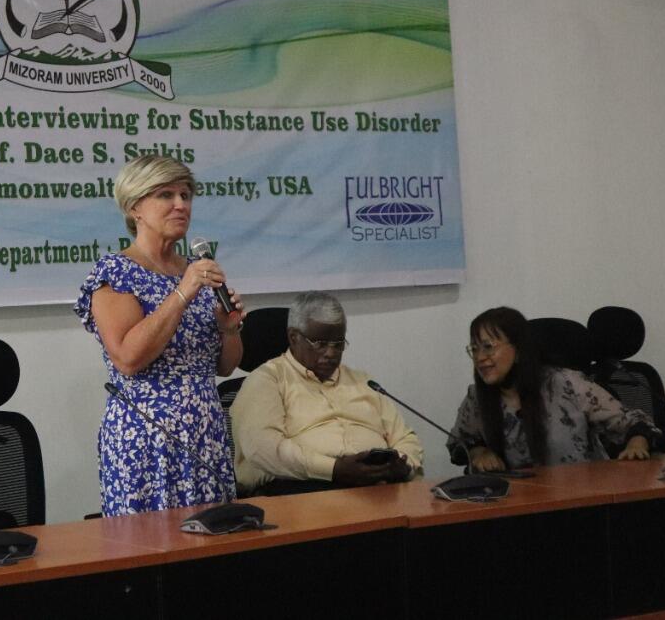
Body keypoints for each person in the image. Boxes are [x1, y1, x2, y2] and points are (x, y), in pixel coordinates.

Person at [75, 154, 245, 515]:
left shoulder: (195, 270)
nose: (181, 205)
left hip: (206, 434)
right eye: (166, 195)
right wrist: (182, 294)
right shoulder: (116, 272)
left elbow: (227, 367)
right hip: (147, 439)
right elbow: (128, 358)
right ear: (135, 206)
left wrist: (228, 330)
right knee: (152, 552)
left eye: (186, 194)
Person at [230, 291, 423, 495]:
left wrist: (403, 463)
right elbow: (264, 450)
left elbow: (406, 438)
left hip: (381, 489)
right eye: (320, 344)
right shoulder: (267, 380)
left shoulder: (364, 382)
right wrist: (334, 470)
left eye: (338, 344)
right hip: (305, 491)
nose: (330, 353)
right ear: (294, 337)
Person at [450, 307, 659, 470]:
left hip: (581, 499)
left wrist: (637, 445)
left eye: (488, 347)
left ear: (519, 349)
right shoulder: (477, 397)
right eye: (474, 349)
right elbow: (461, 443)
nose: (480, 358)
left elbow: (636, 423)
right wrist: (479, 453)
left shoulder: (565, 384)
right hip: (513, 507)